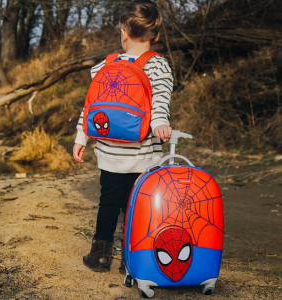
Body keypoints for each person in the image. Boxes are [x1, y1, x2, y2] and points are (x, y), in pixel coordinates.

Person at [73, 0, 173, 273]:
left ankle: (99, 255)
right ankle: (132, 260)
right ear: (157, 35)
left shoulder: (102, 67)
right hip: (143, 156)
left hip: (109, 155)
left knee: (108, 202)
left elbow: (90, 107)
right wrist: (160, 123)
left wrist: (81, 138)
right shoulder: (157, 66)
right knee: (138, 207)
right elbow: (160, 102)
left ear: (124, 33)